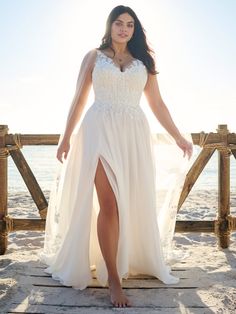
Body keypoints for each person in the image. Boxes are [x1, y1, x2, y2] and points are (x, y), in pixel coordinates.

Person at [38, 5, 193, 308]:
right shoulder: (93, 57)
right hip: (98, 131)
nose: (124, 29)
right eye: (119, 23)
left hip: (133, 136)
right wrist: (66, 137)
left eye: (130, 25)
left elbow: (157, 104)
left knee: (126, 204)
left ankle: (119, 261)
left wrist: (177, 135)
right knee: (108, 204)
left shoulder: (143, 62)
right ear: (109, 26)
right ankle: (113, 279)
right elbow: (79, 99)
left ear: (135, 30)